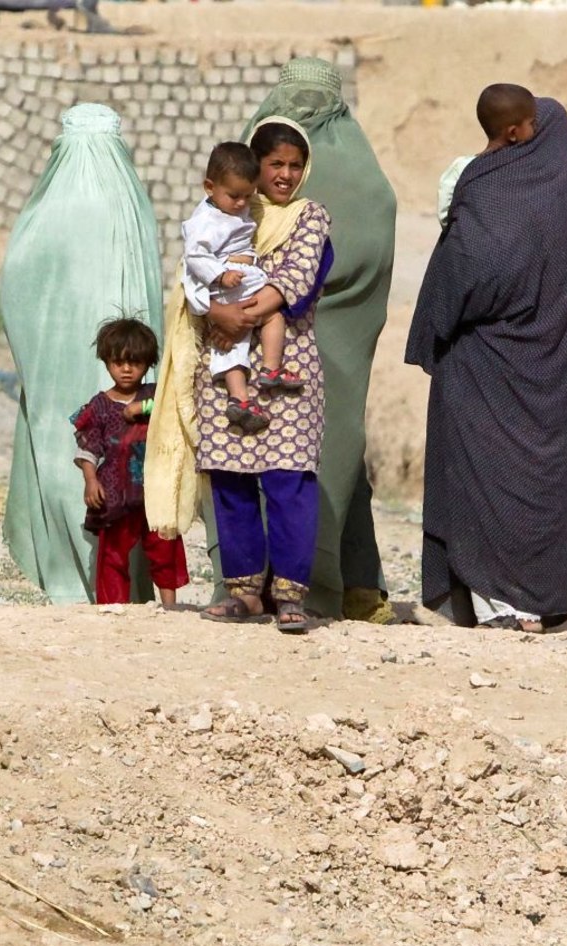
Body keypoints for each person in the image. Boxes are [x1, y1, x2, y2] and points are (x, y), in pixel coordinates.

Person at [407, 89, 567, 633]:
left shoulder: (489, 185)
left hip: (489, 354)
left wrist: (440, 317)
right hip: (532, 361)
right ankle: (504, 605)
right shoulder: (541, 184)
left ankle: (510, 605)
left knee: (488, 473)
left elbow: (470, 268)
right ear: (514, 131)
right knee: (493, 476)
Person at [145, 120, 331, 636]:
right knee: (230, 480)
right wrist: (211, 312)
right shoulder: (227, 211)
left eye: (295, 165)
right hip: (225, 364)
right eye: (275, 164)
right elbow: (193, 272)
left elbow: (297, 280)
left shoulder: (309, 216)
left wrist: (234, 315)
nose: (285, 175)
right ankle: (244, 592)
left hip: (286, 370)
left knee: (289, 479)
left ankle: (289, 596)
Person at [244, 57, 398, 624]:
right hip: (338, 345)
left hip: (272, 340)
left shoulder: (264, 153)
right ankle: (356, 585)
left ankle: (275, 584)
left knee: (270, 458)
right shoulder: (366, 176)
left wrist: (270, 292)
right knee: (335, 457)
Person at [1, 103, 162, 605]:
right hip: (129, 370)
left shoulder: (45, 210)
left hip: (56, 374)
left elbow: (16, 290)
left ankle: (71, 585)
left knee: (63, 461)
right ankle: (120, 590)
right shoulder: (130, 202)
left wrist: (35, 359)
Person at [182, 142, 299, 433]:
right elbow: (195, 256)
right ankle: (244, 392)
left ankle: (265, 374)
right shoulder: (204, 220)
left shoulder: (236, 210)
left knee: (270, 319)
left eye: (248, 196)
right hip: (227, 285)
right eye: (234, 196)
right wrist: (220, 275)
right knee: (233, 342)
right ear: (209, 187)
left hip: (245, 280)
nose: (241, 203)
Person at [72, 318, 187, 606]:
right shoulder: (99, 406)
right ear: (106, 362)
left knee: (164, 547)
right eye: (118, 362)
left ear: (148, 364)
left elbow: (177, 403)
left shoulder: (155, 396)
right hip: (115, 493)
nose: (126, 369)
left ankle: (170, 607)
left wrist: (143, 408)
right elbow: (88, 448)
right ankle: (113, 608)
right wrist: (90, 481)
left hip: (156, 491)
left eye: (134, 362)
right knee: (113, 554)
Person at [436, 83, 537, 227]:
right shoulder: (521, 169)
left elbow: (445, 215)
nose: (535, 128)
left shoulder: (460, 167)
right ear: (513, 133)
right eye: (531, 123)